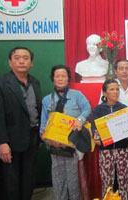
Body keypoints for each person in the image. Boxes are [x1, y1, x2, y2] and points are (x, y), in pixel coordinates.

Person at [0, 46, 42, 200]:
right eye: (17, 58)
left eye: (25, 58)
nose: (21, 61)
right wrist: (2, 142)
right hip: (10, 141)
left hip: (32, 139)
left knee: (28, 178)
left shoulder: (35, 82)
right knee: (10, 181)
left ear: (31, 63)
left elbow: (37, 109)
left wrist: (39, 136)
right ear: (10, 62)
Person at [40, 65, 91, 200]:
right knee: (58, 180)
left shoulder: (77, 95)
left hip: (73, 145)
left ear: (68, 78)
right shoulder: (47, 100)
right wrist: (47, 139)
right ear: (53, 79)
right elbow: (43, 124)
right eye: (57, 76)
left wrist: (80, 119)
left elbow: (87, 109)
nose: (60, 78)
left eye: (63, 76)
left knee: (74, 180)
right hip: (55, 146)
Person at [100, 59, 128, 200]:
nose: (124, 71)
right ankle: (115, 196)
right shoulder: (111, 86)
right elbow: (102, 110)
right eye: (121, 68)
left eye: (127, 68)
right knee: (115, 170)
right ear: (116, 71)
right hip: (113, 134)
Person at [92, 79, 128, 200]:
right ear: (104, 93)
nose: (115, 92)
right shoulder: (98, 110)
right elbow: (95, 131)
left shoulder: (124, 108)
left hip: (122, 149)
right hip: (106, 150)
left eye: (117, 89)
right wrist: (97, 136)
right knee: (107, 181)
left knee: (124, 180)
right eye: (112, 89)